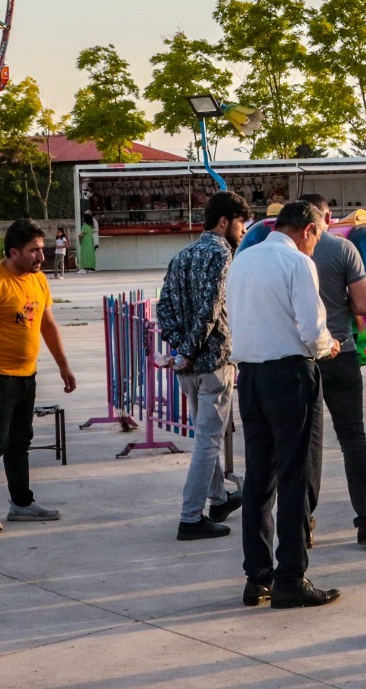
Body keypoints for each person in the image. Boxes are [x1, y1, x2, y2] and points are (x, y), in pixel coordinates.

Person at [226, 200, 342, 609]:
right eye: (318, 237)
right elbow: (313, 330)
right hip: (290, 374)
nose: (316, 245)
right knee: (295, 475)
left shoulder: (243, 259)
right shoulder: (298, 263)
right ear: (308, 230)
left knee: (260, 476)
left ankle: (257, 577)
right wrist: (328, 347)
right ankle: (290, 577)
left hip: (251, 376)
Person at [0, 218, 75, 533]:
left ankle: (22, 503)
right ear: (13, 252)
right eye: (33, 250)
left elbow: (47, 325)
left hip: (26, 376)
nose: (41, 256)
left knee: (20, 442)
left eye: (41, 249)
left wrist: (63, 366)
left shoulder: (38, 280)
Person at [156, 191, 253, 541]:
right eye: (241, 223)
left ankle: (220, 499)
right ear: (224, 221)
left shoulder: (182, 255)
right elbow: (211, 308)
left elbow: (163, 308)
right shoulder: (223, 253)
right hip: (213, 363)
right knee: (209, 442)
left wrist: (181, 349)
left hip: (189, 367)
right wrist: (191, 349)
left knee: (204, 437)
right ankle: (190, 517)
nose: (244, 230)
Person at [297, 193, 366, 548]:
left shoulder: (289, 252)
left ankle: (304, 523)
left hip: (302, 358)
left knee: (307, 442)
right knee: (353, 439)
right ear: (328, 216)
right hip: (341, 353)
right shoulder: (342, 249)